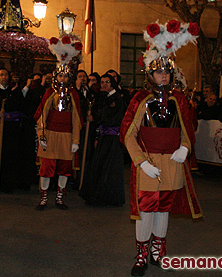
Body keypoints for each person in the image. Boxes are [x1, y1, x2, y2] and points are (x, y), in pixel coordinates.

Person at [120, 20, 202, 276]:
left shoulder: (179, 100)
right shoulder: (139, 99)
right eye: (159, 72)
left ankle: (159, 250)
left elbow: (188, 130)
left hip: (173, 162)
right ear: (150, 74)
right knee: (145, 208)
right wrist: (141, 161)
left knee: (164, 207)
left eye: (167, 71)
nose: (164, 75)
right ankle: (142, 254)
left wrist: (185, 149)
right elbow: (128, 133)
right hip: (148, 162)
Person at [34, 36, 83, 210]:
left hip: (67, 137)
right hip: (50, 135)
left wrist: (76, 140)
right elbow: (42, 116)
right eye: (60, 75)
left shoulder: (73, 95)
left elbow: (76, 119)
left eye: (65, 76)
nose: (63, 78)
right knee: (46, 169)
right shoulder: (49, 93)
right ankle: (44, 198)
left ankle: (60, 198)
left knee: (64, 169)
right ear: (56, 76)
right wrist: (41, 135)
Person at [80, 73, 125, 206]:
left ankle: (108, 197)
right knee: (99, 166)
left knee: (109, 168)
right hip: (104, 137)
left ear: (112, 84)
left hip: (113, 139)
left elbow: (113, 118)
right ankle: (97, 195)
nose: (104, 84)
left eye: (107, 82)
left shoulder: (118, 99)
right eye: (102, 82)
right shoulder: (103, 98)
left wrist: (97, 117)